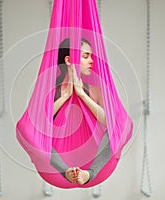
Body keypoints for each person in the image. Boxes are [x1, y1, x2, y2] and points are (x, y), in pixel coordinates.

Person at [51, 38, 111, 185]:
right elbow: (40, 122)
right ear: (68, 60)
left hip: (90, 157)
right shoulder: (51, 91)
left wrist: (82, 94)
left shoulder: (96, 91)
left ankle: (89, 174)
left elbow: (110, 123)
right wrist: (66, 96)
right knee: (27, 130)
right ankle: (67, 172)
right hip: (58, 158)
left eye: (91, 56)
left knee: (121, 127)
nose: (91, 61)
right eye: (85, 56)